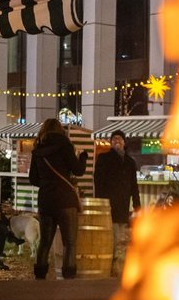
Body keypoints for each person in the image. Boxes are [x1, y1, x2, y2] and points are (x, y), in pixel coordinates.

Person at [28, 117, 89, 280]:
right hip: (65, 200)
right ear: (59, 130)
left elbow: (33, 179)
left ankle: (40, 278)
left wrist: (47, 182)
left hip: (46, 201)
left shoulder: (37, 150)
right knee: (69, 243)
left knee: (45, 242)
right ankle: (68, 278)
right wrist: (83, 157)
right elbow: (78, 171)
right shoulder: (65, 145)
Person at [94, 128, 141, 275]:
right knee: (110, 235)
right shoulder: (104, 158)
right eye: (114, 139)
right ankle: (109, 265)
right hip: (108, 204)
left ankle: (116, 265)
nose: (116, 141)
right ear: (110, 142)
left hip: (122, 205)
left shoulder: (130, 162)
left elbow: (133, 185)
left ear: (124, 142)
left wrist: (137, 204)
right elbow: (98, 181)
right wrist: (100, 201)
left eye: (119, 139)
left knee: (119, 236)